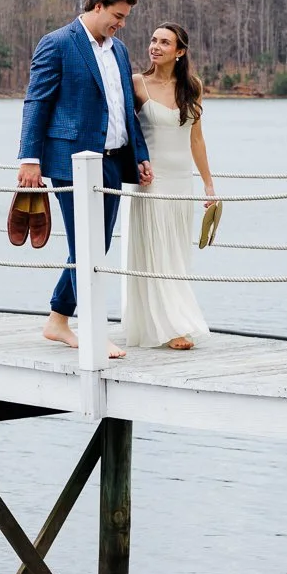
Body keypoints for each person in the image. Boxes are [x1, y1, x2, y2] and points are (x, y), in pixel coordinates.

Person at [17, 0, 152, 353]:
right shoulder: (58, 43)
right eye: (118, 15)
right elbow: (36, 102)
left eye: (124, 18)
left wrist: (140, 156)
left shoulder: (120, 51)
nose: (121, 23)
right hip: (70, 163)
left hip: (113, 162)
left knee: (98, 245)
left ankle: (58, 320)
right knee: (85, 246)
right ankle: (92, 332)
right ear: (98, 6)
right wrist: (30, 159)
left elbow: (126, 110)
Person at [122, 22, 215, 350]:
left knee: (175, 253)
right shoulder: (136, 84)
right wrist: (133, 166)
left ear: (180, 51)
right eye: (153, 40)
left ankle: (167, 321)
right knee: (157, 253)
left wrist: (208, 184)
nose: (155, 46)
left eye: (164, 42)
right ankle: (173, 326)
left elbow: (197, 138)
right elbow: (124, 132)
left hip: (181, 182)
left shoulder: (193, 86)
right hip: (152, 180)